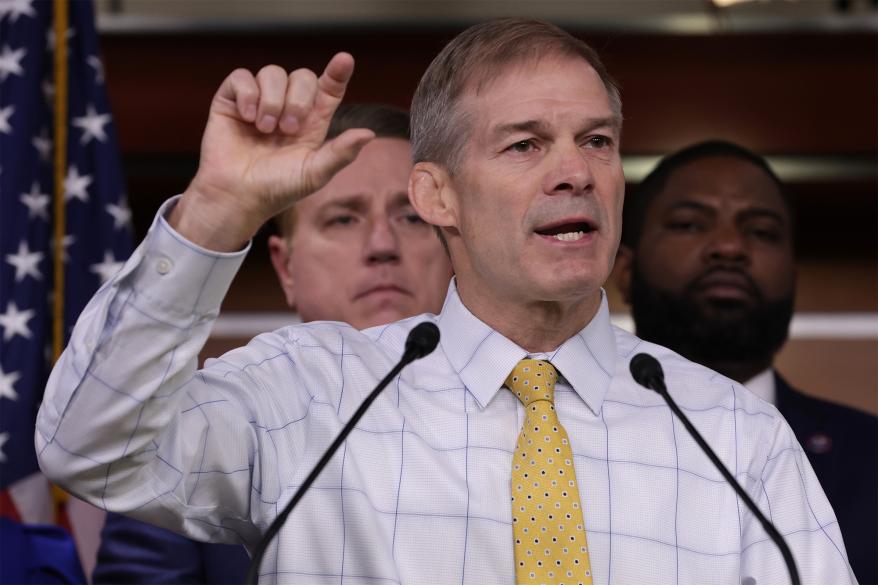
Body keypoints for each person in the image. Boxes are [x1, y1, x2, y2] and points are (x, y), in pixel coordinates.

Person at [36, 18, 855, 584]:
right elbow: (90, 448)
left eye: (596, 141)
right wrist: (216, 210)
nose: (575, 171)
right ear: (437, 194)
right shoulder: (310, 394)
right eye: (526, 143)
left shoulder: (734, 435)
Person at [91, 104, 453, 583]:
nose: (382, 244)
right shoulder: (191, 435)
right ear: (286, 268)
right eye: (343, 219)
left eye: (411, 217)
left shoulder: (532, 412)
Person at [613, 139, 877, 584]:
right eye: (689, 224)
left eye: (762, 232)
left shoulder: (870, 457)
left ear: (792, 280)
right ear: (625, 272)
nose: (730, 247)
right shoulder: (557, 438)